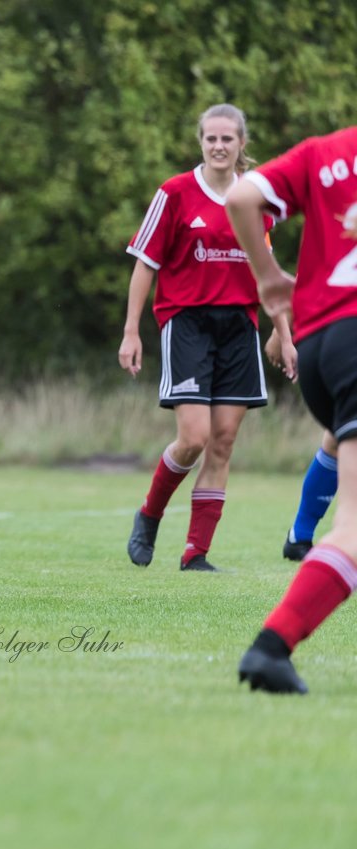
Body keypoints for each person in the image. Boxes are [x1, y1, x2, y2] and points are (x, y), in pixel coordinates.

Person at [118, 103, 280, 572]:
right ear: (201, 141)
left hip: (239, 327)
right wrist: (132, 331)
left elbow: (266, 271)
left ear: (241, 144)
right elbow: (145, 263)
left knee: (223, 440)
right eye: (211, 138)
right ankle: (149, 515)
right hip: (186, 323)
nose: (219, 146)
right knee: (193, 437)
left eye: (228, 138)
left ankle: (196, 553)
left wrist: (282, 333)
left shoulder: (255, 199)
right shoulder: (175, 193)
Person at [226, 125, 357, 694]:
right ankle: (271, 647)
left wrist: (268, 279)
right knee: (354, 526)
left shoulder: (324, 151)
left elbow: (240, 198)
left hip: (320, 346)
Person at [264, 327, 339, 561]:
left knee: (339, 436)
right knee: (340, 435)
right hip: (339, 332)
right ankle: (301, 534)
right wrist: (280, 333)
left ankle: (300, 535)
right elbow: (295, 288)